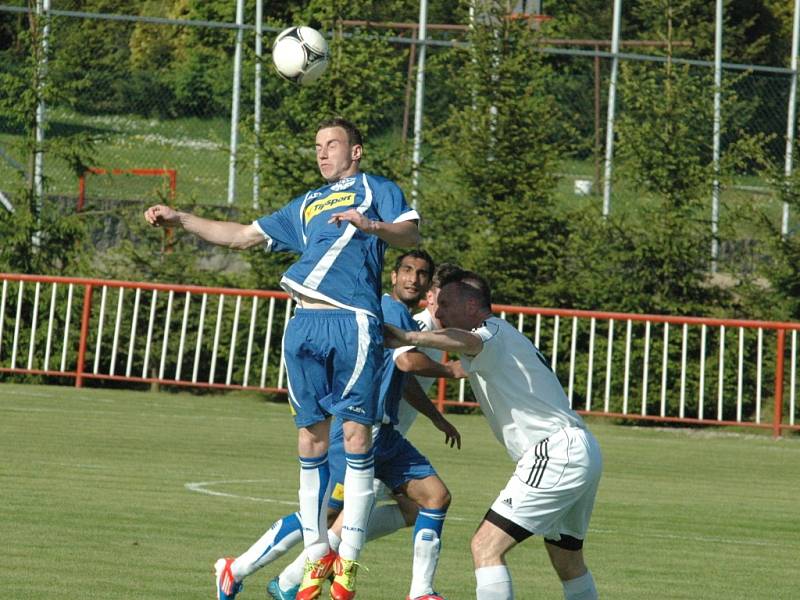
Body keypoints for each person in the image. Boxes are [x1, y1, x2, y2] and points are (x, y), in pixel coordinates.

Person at [144, 117, 422, 600]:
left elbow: (410, 236)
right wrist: (182, 219)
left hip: (352, 320)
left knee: (357, 438)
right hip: (302, 323)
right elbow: (241, 236)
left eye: (332, 144)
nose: (322, 152)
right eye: (317, 145)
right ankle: (317, 558)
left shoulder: (378, 189)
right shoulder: (309, 203)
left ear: (356, 151)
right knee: (310, 442)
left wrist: (371, 224)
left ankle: (348, 566)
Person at [384, 270, 603, 600]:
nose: (438, 312)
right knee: (567, 560)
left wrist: (407, 336)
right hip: (579, 450)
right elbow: (456, 359)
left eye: (446, 304)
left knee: (485, 546)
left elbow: (466, 341)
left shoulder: (489, 333)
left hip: (554, 453)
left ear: (472, 304)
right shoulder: (501, 337)